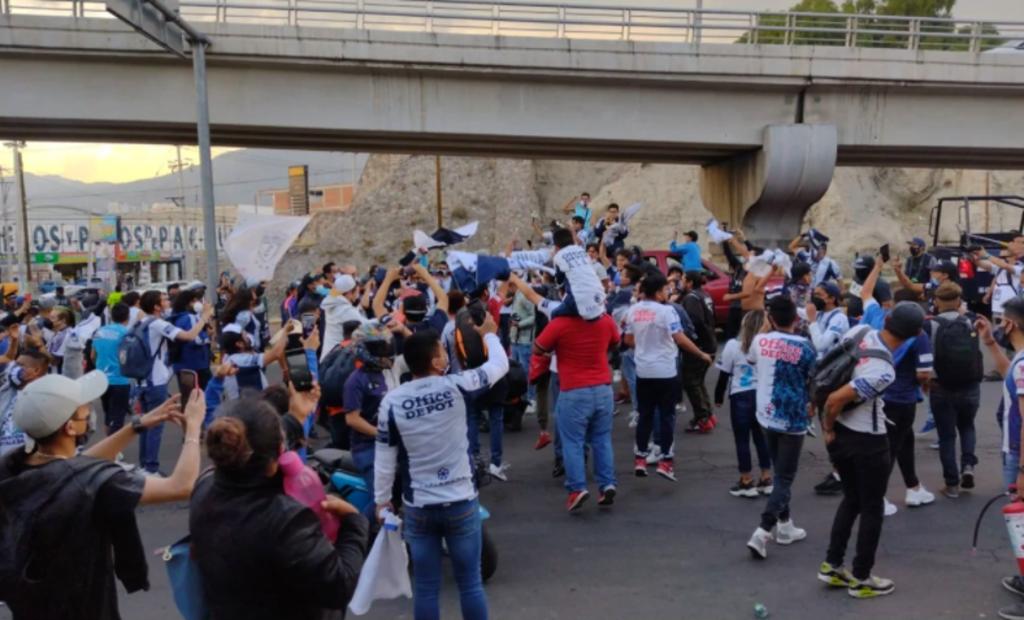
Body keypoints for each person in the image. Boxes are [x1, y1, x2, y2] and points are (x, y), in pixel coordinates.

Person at [0, 372, 205, 619]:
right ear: (70, 427)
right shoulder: (90, 484)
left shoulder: (13, 468)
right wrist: (193, 429)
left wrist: (137, 426)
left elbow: (78, 466)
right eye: (83, 410)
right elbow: (181, 486)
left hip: (32, 606)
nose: (89, 411)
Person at [375, 316, 508, 620]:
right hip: (461, 499)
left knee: (425, 587)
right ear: (435, 361)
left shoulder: (392, 402)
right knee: (470, 583)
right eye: (442, 351)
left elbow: (384, 458)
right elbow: (498, 366)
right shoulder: (458, 385)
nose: (447, 355)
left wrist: (382, 500)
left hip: (419, 505)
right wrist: (489, 335)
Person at [190, 397, 368, 619]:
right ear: (276, 460)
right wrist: (354, 523)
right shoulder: (287, 520)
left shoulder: (204, 488)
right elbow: (339, 585)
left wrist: (294, 419)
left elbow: (258, 441)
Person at [818, 302, 923, 599]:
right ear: (914, 335)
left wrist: (830, 429)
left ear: (887, 319)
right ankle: (862, 577)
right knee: (872, 507)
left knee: (851, 499)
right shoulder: (884, 370)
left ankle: (832, 565)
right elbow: (836, 399)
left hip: (842, 435)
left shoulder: (860, 331)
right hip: (867, 441)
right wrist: (827, 425)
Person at [534, 291, 620, 512]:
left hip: (573, 390)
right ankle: (607, 484)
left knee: (573, 442)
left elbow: (538, 348)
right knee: (602, 439)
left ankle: (577, 489)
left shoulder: (559, 324)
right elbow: (615, 342)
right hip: (603, 389)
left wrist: (556, 351)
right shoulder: (605, 321)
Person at [745, 295, 816, 560]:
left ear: (771, 318)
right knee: (784, 478)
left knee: (779, 474)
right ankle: (763, 530)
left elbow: (752, 359)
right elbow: (815, 378)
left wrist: (767, 328)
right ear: (796, 319)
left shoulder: (760, 341)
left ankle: (785, 525)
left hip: (765, 414)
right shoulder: (806, 347)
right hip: (793, 418)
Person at [625, 273, 710, 482]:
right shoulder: (667, 311)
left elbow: (628, 339)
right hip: (665, 371)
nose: (668, 292)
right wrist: (701, 354)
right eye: (665, 289)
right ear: (657, 292)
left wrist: (645, 346)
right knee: (667, 416)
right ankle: (666, 461)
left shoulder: (633, 310)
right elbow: (680, 338)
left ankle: (640, 458)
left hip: (644, 371)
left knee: (645, 414)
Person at [135, 289, 213, 475]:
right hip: (155, 381)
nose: (168, 301)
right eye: (163, 300)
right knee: (155, 426)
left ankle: (143, 466)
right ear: (156, 307)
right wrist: (204, 318)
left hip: (142, 380)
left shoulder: (142, 323)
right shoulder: (157, 323)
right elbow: (189, 336)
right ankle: (150, 468)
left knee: (145, 423)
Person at [925, 281, 983, 498]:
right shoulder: (971, 322)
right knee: (967, 426)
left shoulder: (930, 325)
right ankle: (968, 466)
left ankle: (951, 485)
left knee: (947, 436)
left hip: (941, 386)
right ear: (959, 301)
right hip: (970, 385)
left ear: (937, 301)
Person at [715, 310, 773, 498]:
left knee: (742, 440)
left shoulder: (733, 345)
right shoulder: (768, 345)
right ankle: (766, 477)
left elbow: (724, 374)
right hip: (762, 395)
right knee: (761, 438)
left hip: (740, 395)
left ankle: (746, 481)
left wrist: (718, 397)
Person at [342, 327, 393, 519]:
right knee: (380, 501)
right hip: (367, 448)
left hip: (388, 444)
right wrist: (381, 433)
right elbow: (352, 419)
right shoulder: (355, 381)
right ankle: (362, 532)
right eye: (379, 348)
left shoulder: (384, 373)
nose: (385, 353)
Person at [680, 270, 718, 433]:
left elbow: (695, 322)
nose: (681, 282)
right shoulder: (705, 294)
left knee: (691, 382)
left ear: (689, 282)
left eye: (683, 279)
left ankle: (702, 418)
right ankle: (708, 413)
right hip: (710, 342)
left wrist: (695, 343)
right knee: (698, 381)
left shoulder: (691, 298)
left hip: (700, 345)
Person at [92, 302, 132, 435]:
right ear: (128, 316)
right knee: (118, 419)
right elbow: (128, 357)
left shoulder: (100, 331)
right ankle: (113, 446)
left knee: (108, 416)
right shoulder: (126, 333)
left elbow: (93, 355)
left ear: (111, 316)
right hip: (120, 380)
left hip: (102, 379)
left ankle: (108, 443)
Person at [0, 349, 51, 453]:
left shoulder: (46, 400)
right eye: (15, 364)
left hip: (24, 457)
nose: (14, 368)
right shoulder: (7, 391)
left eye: (20, 365)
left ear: (36, 371)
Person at [168, 288, 213, 406]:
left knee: (188, 399)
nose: (199, 303)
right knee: (203, 399)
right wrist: (206, 335)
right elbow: (197, 339)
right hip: (196, 364)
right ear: (189, 303)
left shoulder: (176, 317)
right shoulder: (189, 317)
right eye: (195, 301)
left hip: (182, 364)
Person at [321, 273, 369, 360]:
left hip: (328, 356)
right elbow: (369, 327)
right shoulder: (345, 310)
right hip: (336, 360)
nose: (358, 293)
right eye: (356, 290)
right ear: (350, 293)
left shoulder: (333, 303)